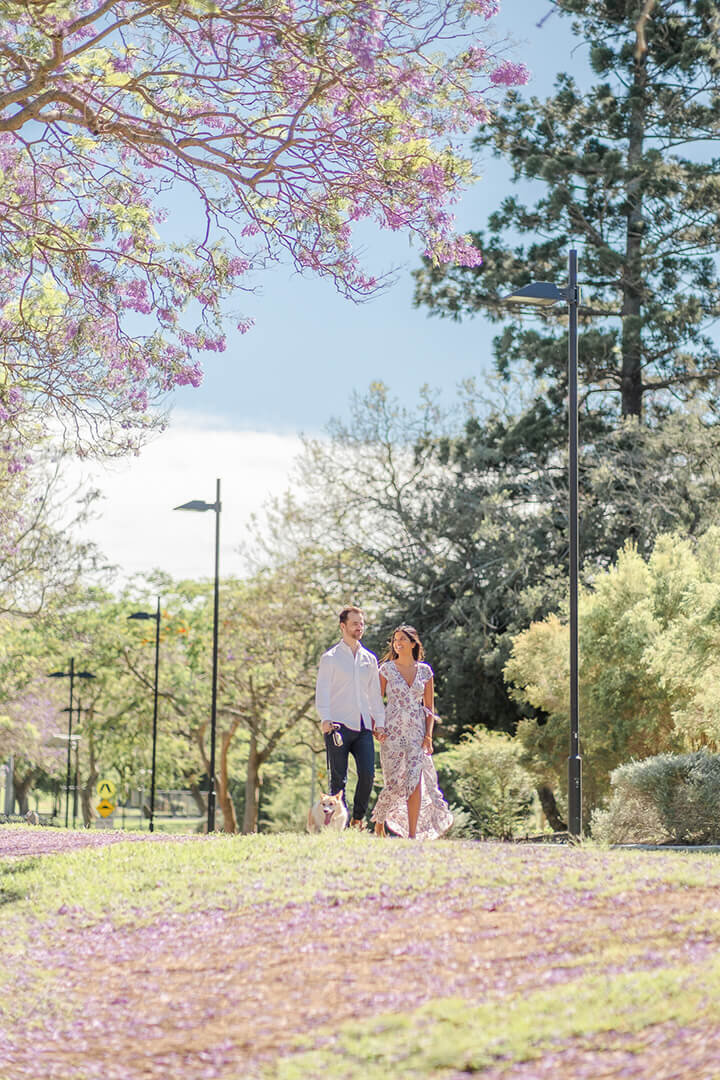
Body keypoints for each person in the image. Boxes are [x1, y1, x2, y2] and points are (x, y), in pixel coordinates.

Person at [371, 625, 453, 839]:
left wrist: (428, 735)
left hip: (417, 732)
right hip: (391, 732)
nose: (397, 643)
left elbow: (429, 708)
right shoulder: (386, 670)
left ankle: (412, 834)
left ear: (414, 643)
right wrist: (376, 726)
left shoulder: (425, 671)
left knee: (415, 780)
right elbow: (376, 702)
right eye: (395, 640)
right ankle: (380, 821)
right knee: (394, 783)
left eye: (402, 639)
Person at [315, 605, 386, 829]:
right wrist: (325, 718)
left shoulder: (370, 659)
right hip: (337, 726)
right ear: (343, 626)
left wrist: (380, 723)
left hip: (363, 725)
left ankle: (357, 818)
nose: (359, 627)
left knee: (368, 774)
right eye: (355, 623)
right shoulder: (331, 658)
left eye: (362, 623)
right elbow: (322, 691)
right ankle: (339, 827)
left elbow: (375, 695)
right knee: (339, 780)